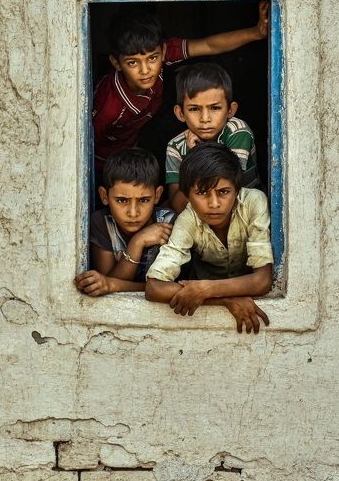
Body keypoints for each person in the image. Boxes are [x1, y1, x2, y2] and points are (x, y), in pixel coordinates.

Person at [92, 2, 269, 172]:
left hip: (136, 144)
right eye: (132, 63)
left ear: (162, 51)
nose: (145, 70)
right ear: (116, 63)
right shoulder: (108, 107)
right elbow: (83, 144)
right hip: (105, 163)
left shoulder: (163, 53)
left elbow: (208, 44)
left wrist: (256, 33)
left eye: (152, 58)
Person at [145, 142, 273, 334]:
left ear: (237, 190)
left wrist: (206, 289)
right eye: (202, 193)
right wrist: (225, 299)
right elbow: (154, 287)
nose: (214, 204)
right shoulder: (188, 219)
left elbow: (263, 280)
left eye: (223, 192)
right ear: (187, 195)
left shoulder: (254, 202)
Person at [74, 148, 174, 296]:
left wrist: (111, 284)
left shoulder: (169, 223)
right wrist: (137, 242)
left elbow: (174, 288)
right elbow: (104, 286)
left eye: (144, 200)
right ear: (104, 196)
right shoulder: (102, 223)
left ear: (157, 195)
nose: (133, 213)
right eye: (122, 200)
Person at [164, 63, 261, 212]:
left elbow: (224, 188)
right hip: (200, 214)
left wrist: (196, 154)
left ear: (230, 110)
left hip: (245, 209)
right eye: (194, 109)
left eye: (215, 108)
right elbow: (178, 204)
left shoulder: (237, 132)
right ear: (180, 113)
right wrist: (192, 155)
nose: (205, 118)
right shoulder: (176, 146)